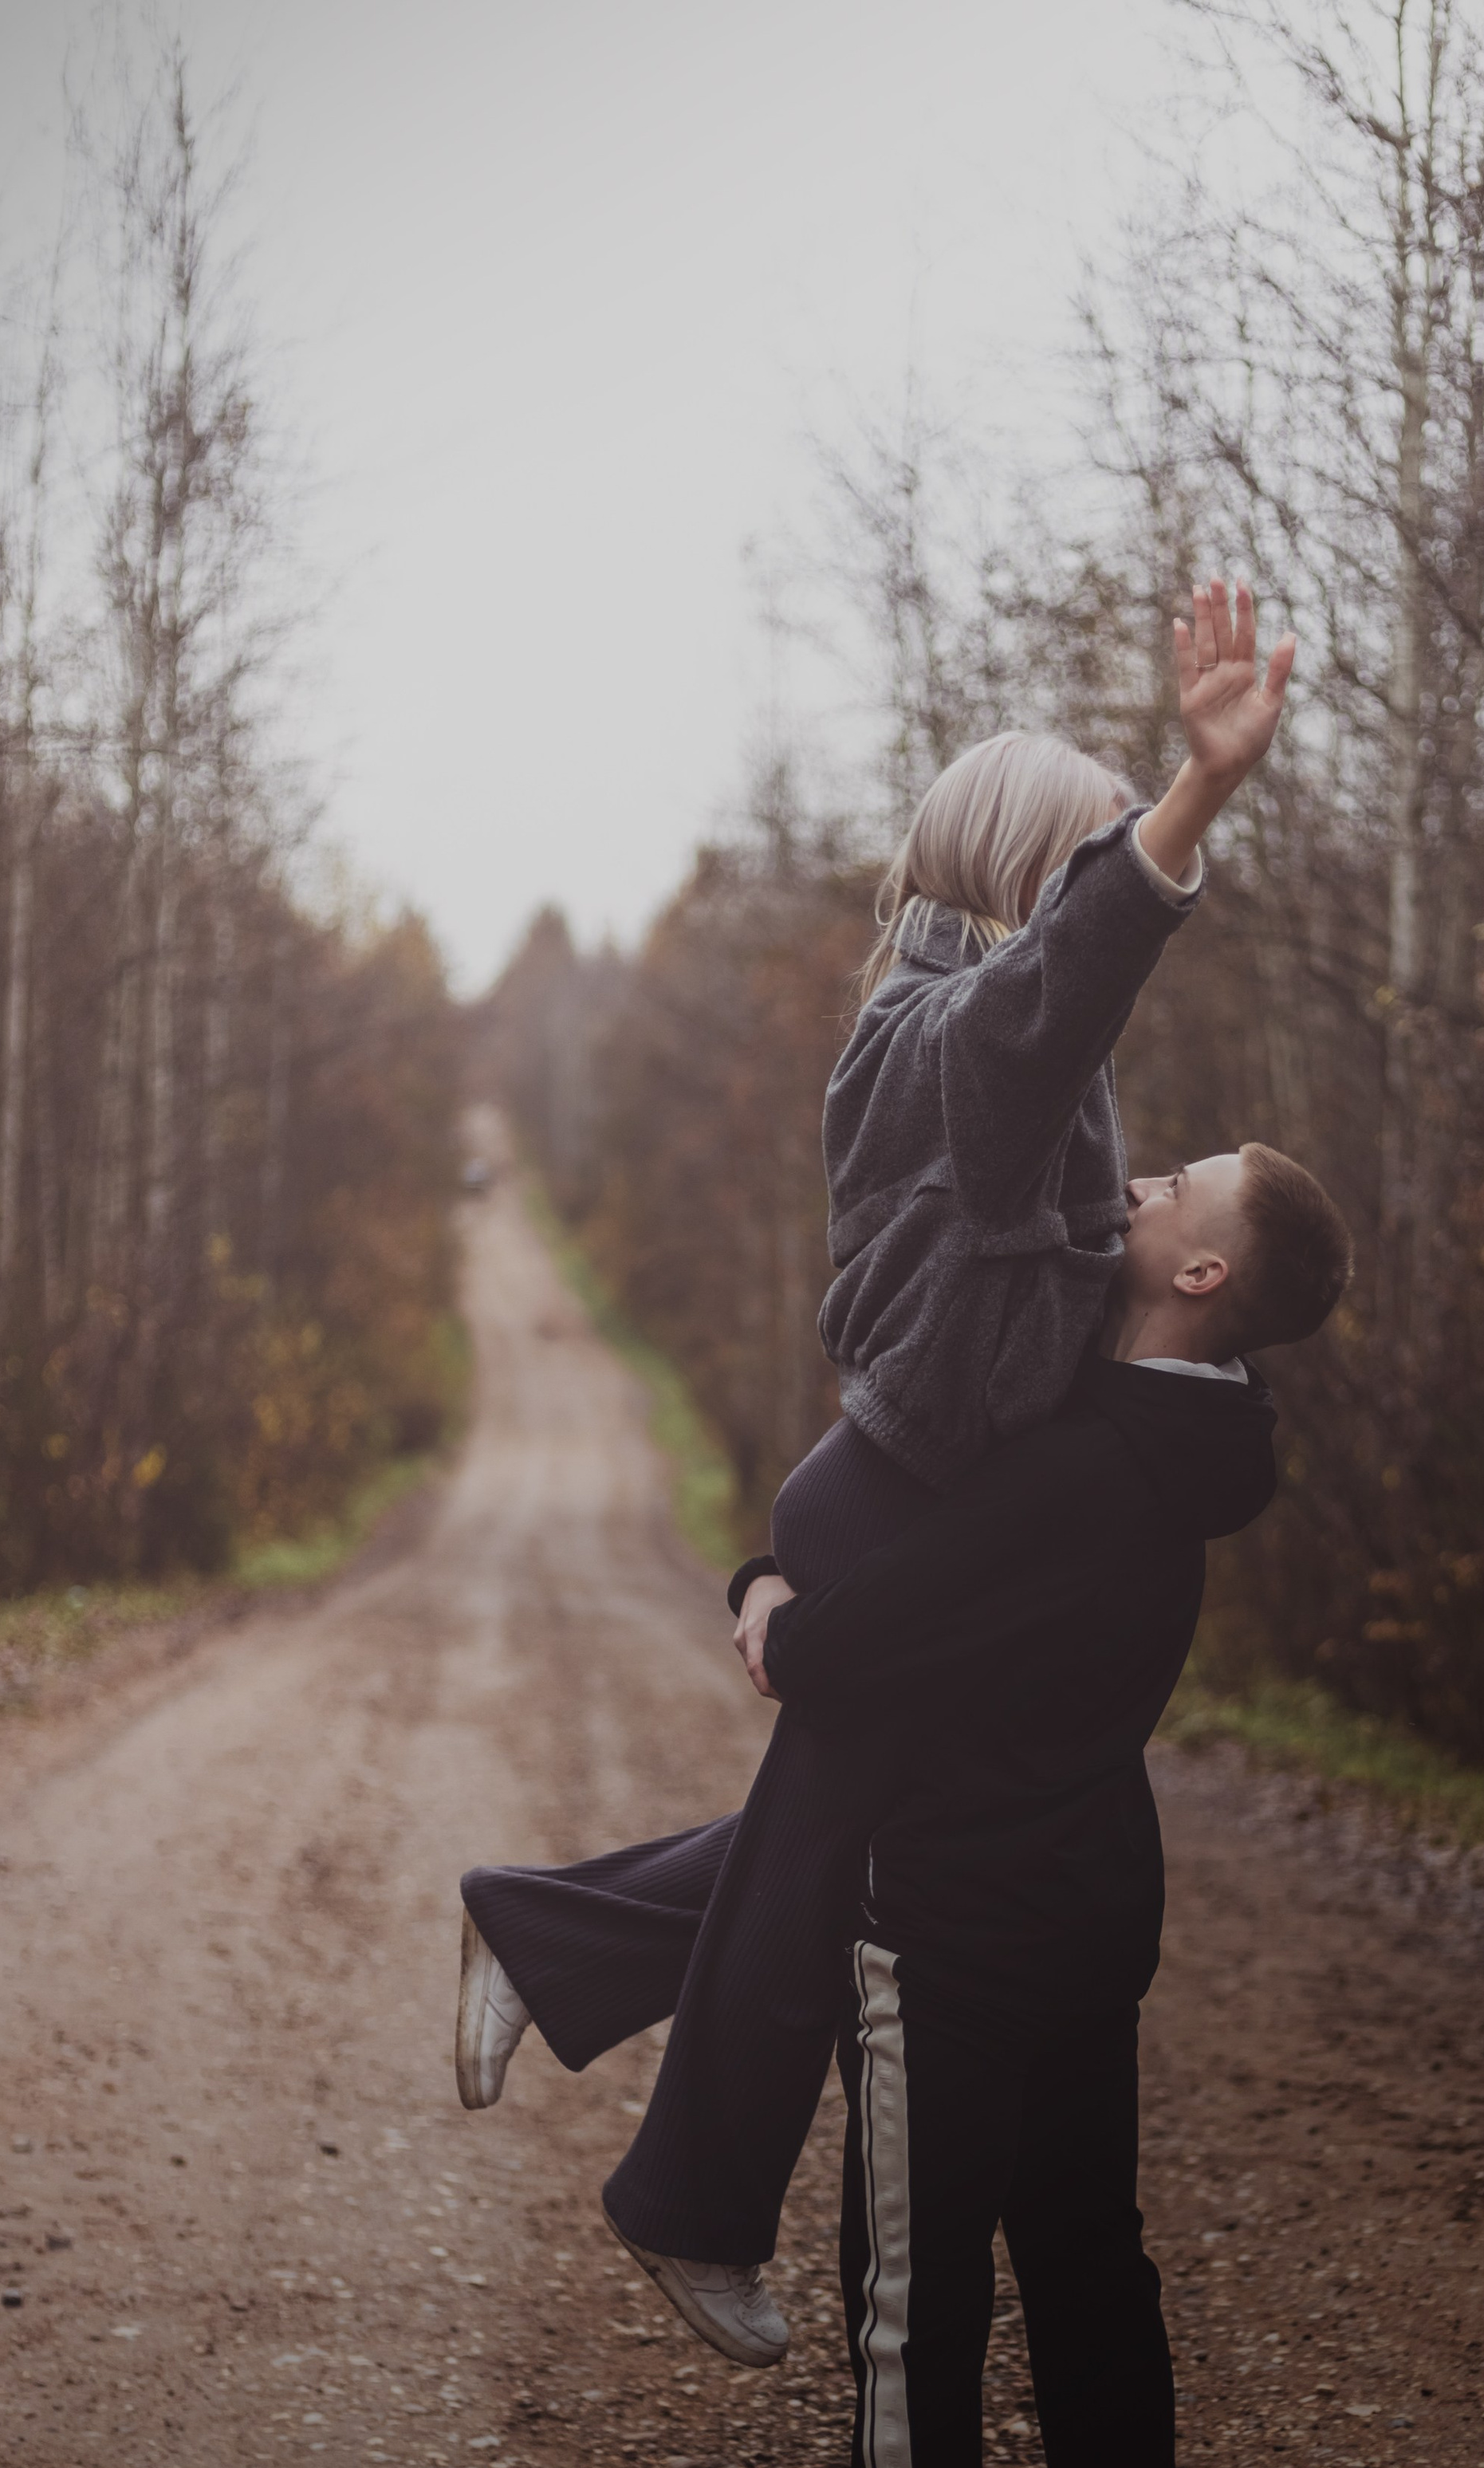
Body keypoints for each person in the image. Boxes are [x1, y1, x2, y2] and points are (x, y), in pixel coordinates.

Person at [457, 584, 1297, 2362]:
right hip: (905, 1494)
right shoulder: (969, 1043)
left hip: (886, 1482)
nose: (1087, 914)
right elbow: (1052, 1000)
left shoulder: (940, 1027)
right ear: (1027, 878)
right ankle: (685, 2199)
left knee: (832, 1843)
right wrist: (1186, 809)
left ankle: (546, 1947)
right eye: (1076, 871)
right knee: (835, 1851)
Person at [671, 1140, 1352, 2468]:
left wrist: (759, 1592)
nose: (1148, 1173)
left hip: (958, 1913)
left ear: (1202, 1272)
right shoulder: (1191, 1445)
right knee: (1080, 2250)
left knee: (909, 2297)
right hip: (1089, 1895)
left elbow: (834, 1646)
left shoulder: (1080, 1461)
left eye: (1185, 1177)